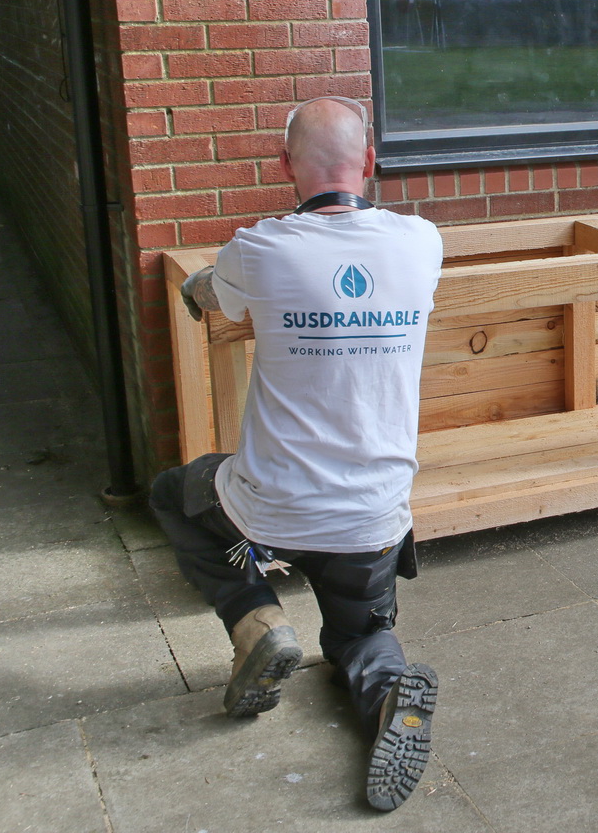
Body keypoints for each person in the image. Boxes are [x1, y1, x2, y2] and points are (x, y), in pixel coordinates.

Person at [148, 95, 445, 811]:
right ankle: (383, 689)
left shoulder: (260, 248)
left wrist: (196, 287)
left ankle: (259, 621)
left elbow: (210, 295)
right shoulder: (421, 241)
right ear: (369, 162)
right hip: (373, 519)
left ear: (285, 166)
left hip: (268, 513)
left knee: (172, 494)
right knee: (360, 633)